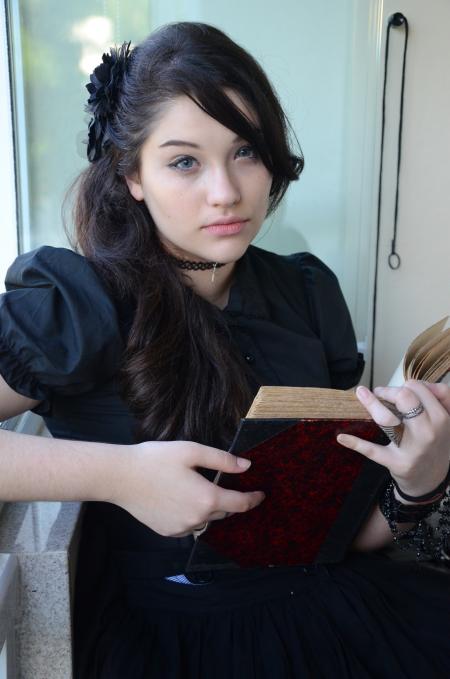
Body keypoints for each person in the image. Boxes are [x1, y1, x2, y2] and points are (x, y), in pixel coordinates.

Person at [0, 21, 449, 679]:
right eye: (184, 161)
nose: (227, 192)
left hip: (334, 607)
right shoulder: (77, 300)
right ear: (132, 175)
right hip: (178, 639)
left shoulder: (306, 289)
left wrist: (419, 482)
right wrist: (118, 475)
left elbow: (334, 534)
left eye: (245, 151)